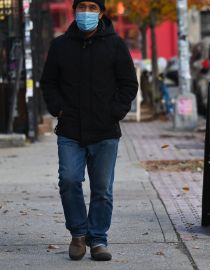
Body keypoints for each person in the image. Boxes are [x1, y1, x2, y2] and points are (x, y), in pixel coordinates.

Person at [40, 0, 138, 261]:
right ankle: (78, 234)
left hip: (105, 130)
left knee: (102, 189)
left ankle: (98, 240)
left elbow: (129, 83)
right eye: (82, 6)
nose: (87, 12)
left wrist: (115, 111)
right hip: (70, 129)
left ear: (101, 13)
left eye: (92, 7)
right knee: (69, 180)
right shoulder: (60, 46)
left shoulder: (115, 45)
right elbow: (48, 83)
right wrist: (58, 109)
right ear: (74, 10)